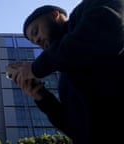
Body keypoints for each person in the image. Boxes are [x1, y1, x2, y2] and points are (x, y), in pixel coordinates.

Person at [8, 1, 124, 144]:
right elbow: (76, 129)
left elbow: (106, 28)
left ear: (55, 15)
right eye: (33, 41)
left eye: (36, 31)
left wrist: (34, 68)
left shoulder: (90, 8)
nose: (37, 40)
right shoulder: (65, 81)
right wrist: (43, 98)